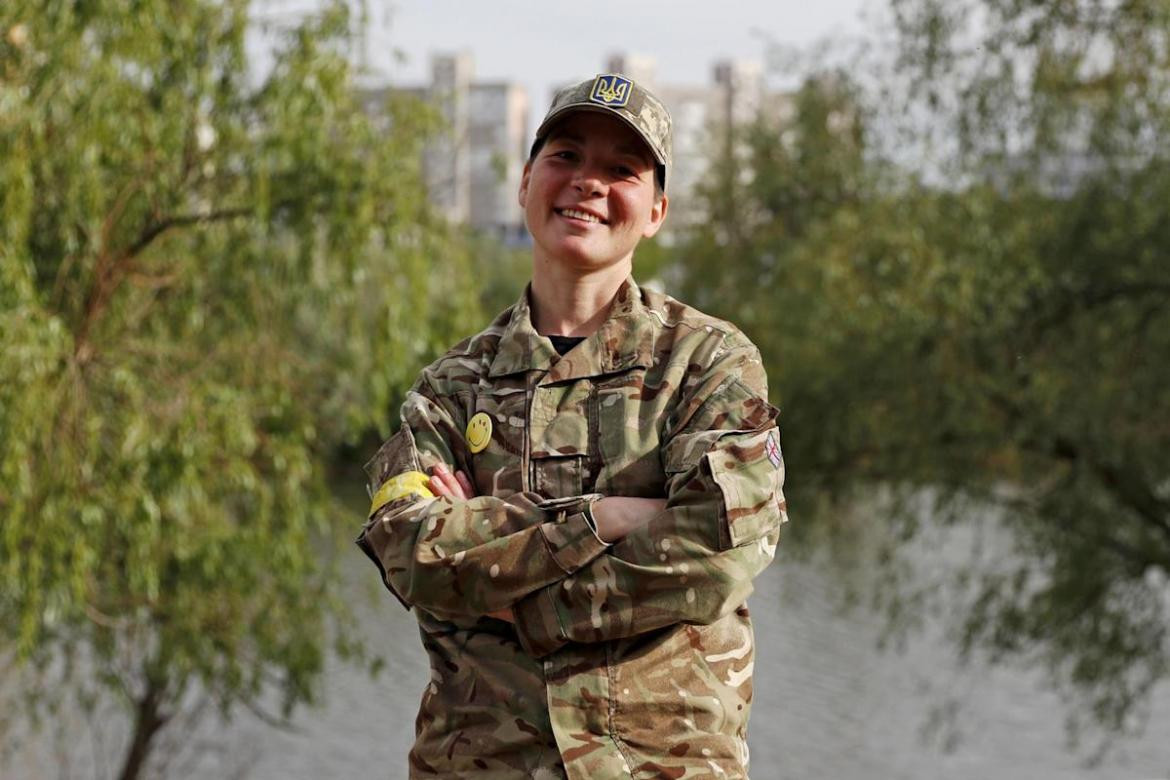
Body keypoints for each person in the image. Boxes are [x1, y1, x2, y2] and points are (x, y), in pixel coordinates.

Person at [357, 73, 788, 779]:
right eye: (566, 158)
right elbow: (412, 555)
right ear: (526, 183)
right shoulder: (453, 385)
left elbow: (719, 557)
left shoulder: (709, 363)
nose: (588, 182)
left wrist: (502, 561)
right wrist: (605, 518)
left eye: (621, 170)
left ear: (656, 211)